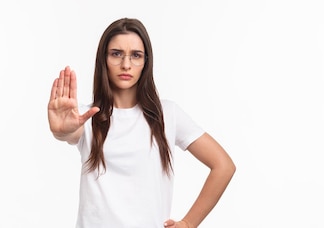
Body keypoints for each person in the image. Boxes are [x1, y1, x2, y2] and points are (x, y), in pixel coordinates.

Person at [47, 17, 235, 228]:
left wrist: (189, 223)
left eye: (135, 55)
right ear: (104, 59)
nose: (126, 64)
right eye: (116, 54)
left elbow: (223, 165)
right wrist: (61, 132)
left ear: (146, 61)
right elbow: (70, 133)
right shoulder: (86, 115)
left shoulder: (167, 115)